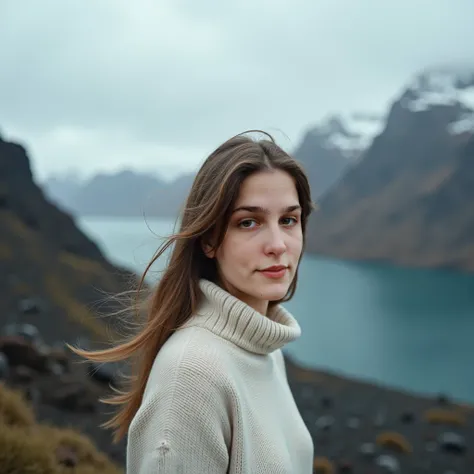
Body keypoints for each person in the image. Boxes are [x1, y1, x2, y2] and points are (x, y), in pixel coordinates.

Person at [70, 130, 316, 473]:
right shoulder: (192, 376)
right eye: (248, 222)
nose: (278, 244)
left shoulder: (267, 350)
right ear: (209, 240)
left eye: (288, 220)